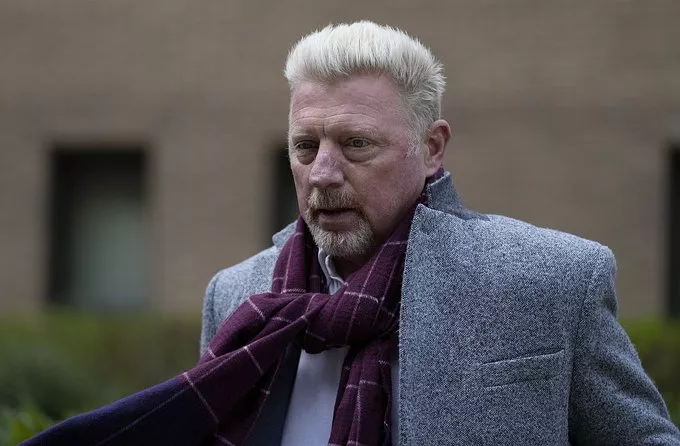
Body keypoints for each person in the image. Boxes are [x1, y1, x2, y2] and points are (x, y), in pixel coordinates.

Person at [24, 20, 679, 446]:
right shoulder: (239, 296)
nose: (323, 174)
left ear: (431, 148)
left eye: (357, 144)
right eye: (305, 146)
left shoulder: (550, 280)